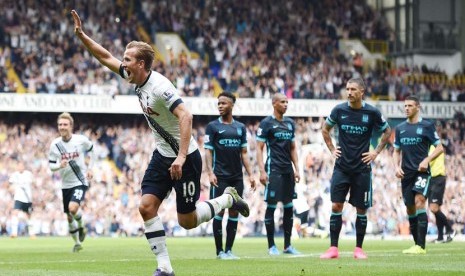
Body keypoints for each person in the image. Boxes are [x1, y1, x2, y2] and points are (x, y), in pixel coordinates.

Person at [71, 10, 249, 276]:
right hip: (161, 155)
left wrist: (180, 157)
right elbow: (104, 56)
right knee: (146, 207)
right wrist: (82, 36)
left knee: (187, 221)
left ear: (141, 64)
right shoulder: (134, 76)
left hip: (186, 158)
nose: (123, 63)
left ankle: (226, 199)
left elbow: (186, 115)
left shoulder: (160, 87)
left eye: (128, 60)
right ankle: (164, 268)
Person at [320, 77, 391, 259]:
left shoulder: (372, 112)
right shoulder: (339, 110)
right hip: (342, 167)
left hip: (362, 169)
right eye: (347, 89)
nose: (349, 92)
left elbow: (387, 131)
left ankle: (359, 248)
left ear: (362, 92)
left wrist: (375, 152)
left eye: (353, 89)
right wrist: (331, 149)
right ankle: (333, 248)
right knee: (336, 205)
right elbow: (325, 129)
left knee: (361, 209)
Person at [204, 92, 256, 260]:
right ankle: (219, 252)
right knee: (219, 212)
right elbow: (208, 152)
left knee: (234, 213)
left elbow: (244, 153)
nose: (220, 106)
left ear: (232, 105)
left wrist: (250, 174)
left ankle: (229, 251)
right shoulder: (212, 127)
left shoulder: (240, 127)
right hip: (220, 177)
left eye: (223, 103)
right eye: (218, 103)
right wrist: (210, 173)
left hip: (236, 178)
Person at [393, 95, 444, 254]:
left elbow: (439, 148)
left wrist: (426, 160)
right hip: (406, 174)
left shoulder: (427, 126)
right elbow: (396, 151)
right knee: (410, 209)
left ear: (417, 107)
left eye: (410, 105)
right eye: (405, 106)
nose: (406, 108)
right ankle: (416, 244)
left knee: (420, 201)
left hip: (422, 172)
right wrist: (396, 166)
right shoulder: (400, 128)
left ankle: (421, 246)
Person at [256, 93, 301, 256]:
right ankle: (271, 246)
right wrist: (261, 171)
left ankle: (287, 246)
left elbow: (293, 148)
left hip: (287, 170)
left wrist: (297, 168)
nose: (286, 104)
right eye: (283, 102)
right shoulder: (266, 123)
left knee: (289, 206)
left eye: (287, 102)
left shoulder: (290, 124)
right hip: (273, 169)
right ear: (274, 104)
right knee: (272, 205)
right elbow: (259, 148)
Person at [48, 112, 94, 252]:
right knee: (68, 216)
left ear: (71, 126)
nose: (62, 127)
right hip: (65, 184)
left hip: (80, 180)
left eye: (65, 124)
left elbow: (91, 149)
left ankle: (81, 226)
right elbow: (51, 166)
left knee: (73, 208)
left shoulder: (80, 140)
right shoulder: (55, 145)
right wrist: (59, 165)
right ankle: (77, 244)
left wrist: (90, 168)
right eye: (60, 124)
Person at [428, 143, 455, 243]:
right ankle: (440, 237)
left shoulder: (435, 145)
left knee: (433, 208)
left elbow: (428, 161)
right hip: (431, 179)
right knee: (435, 209)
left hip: (438, 178)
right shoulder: (428, 146)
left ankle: (450, 229)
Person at [8, 161, 35, 238]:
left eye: (21, 166)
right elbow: (10, 184)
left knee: (28, 215)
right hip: (18, 198)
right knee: (15, 213)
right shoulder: (14, 175)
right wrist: (11, 189)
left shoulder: (28, 174)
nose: (20, 167)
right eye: (19, 166)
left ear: (24, 166)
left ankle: (32, 233)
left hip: (27, 199)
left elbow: (33, 182)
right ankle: (14, 233)